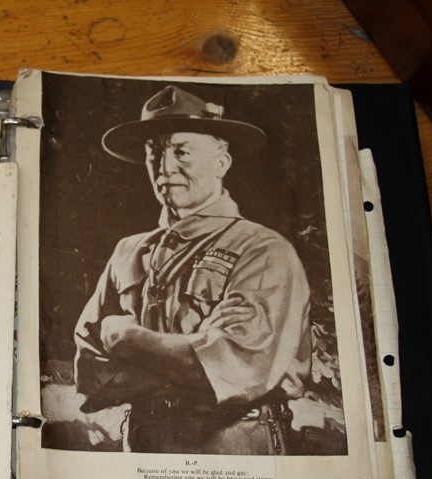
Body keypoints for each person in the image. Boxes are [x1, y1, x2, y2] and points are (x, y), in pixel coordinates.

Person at [73, 85, 312, 455]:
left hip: (234, 441)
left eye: (181, 151)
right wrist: (185, 361)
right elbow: (89, 368)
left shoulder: (264, 250)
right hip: (143, 440)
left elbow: (237, 362)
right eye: (154, 153)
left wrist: (130, 338)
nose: (165, 168)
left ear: (221, 164)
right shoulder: (129, 251)